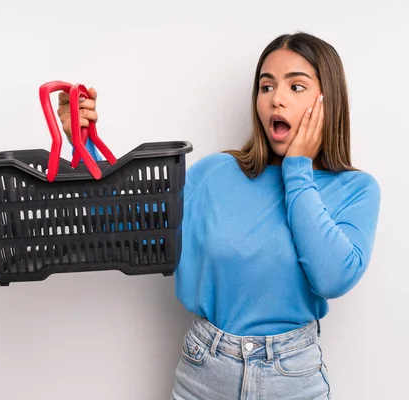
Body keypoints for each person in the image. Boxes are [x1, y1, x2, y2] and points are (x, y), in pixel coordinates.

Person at [57, 31, 381, 400]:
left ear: (328, 101)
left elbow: (332, 278)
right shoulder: (217, 173)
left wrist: (297, 169)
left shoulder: (356, 189)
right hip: (205, 373)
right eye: (266, 86)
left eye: (296, 87)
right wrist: (80, 142)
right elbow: (131, 221)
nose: (276, 99)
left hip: (292, 379)